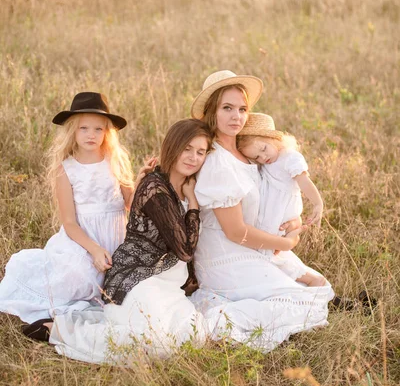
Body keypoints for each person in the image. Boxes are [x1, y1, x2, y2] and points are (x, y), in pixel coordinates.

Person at [23, 119, 214, 363]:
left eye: (200, 152)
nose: (193, 157)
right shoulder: (156, 188)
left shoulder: (186, 184)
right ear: (173, 146)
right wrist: (194, 206)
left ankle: (92, 320)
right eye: (187, 148)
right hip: (136, 279)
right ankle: (60, 331)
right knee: (154, 345)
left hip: (165, 284)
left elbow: (129, 201)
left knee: (191, 338)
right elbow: (185, 250)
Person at [190, 70, 335, 352]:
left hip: (251, 247)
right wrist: (287, 242)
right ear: (212, 112)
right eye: (227, 108)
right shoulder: (218, 161)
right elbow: (235, 231)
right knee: (303, 304)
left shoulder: (247, 154)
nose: (236, 116)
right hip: (225, 255)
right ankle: (219, 318)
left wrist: (291, 220)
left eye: (242, 109)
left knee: (318, 286)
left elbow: (273, 194)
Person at [0, 92, 138, 323]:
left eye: (98, 129)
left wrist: (142, 180)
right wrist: (94, 249)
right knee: (80, 278)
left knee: (123, 283)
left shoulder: (115, 161)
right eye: (84, 128)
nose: (91, 135)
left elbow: (130, 204)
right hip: (83, 240)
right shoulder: (66, 168)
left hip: (116, 237)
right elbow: (70, 223)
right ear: (73, 130)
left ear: (107, 132)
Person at [237, 112, 326, 287]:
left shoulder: (289, 158)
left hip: (282, 212)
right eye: (256, 157)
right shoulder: (265, 163)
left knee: (271, 252)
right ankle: (275, 278)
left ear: (274, 139)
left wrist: (318, 203)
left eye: (263, 149)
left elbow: (304, 182)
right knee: (266, 252)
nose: (263, 158)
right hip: (268, 213)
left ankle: (295, 281)